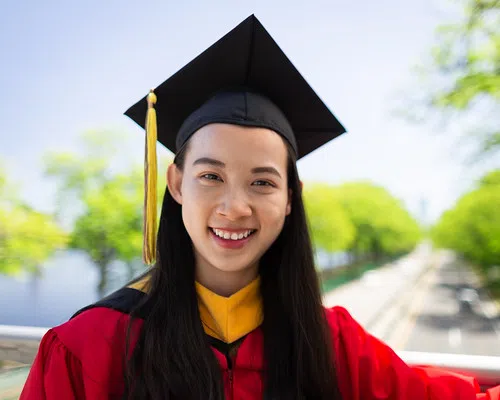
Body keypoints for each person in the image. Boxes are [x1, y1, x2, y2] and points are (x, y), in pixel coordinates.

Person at [20, 15, 500, 400]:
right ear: (176, 182)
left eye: (263, 182)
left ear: (291, 197)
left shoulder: (331, 344)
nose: (235, 207)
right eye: (211, 176)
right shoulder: (88, 346)